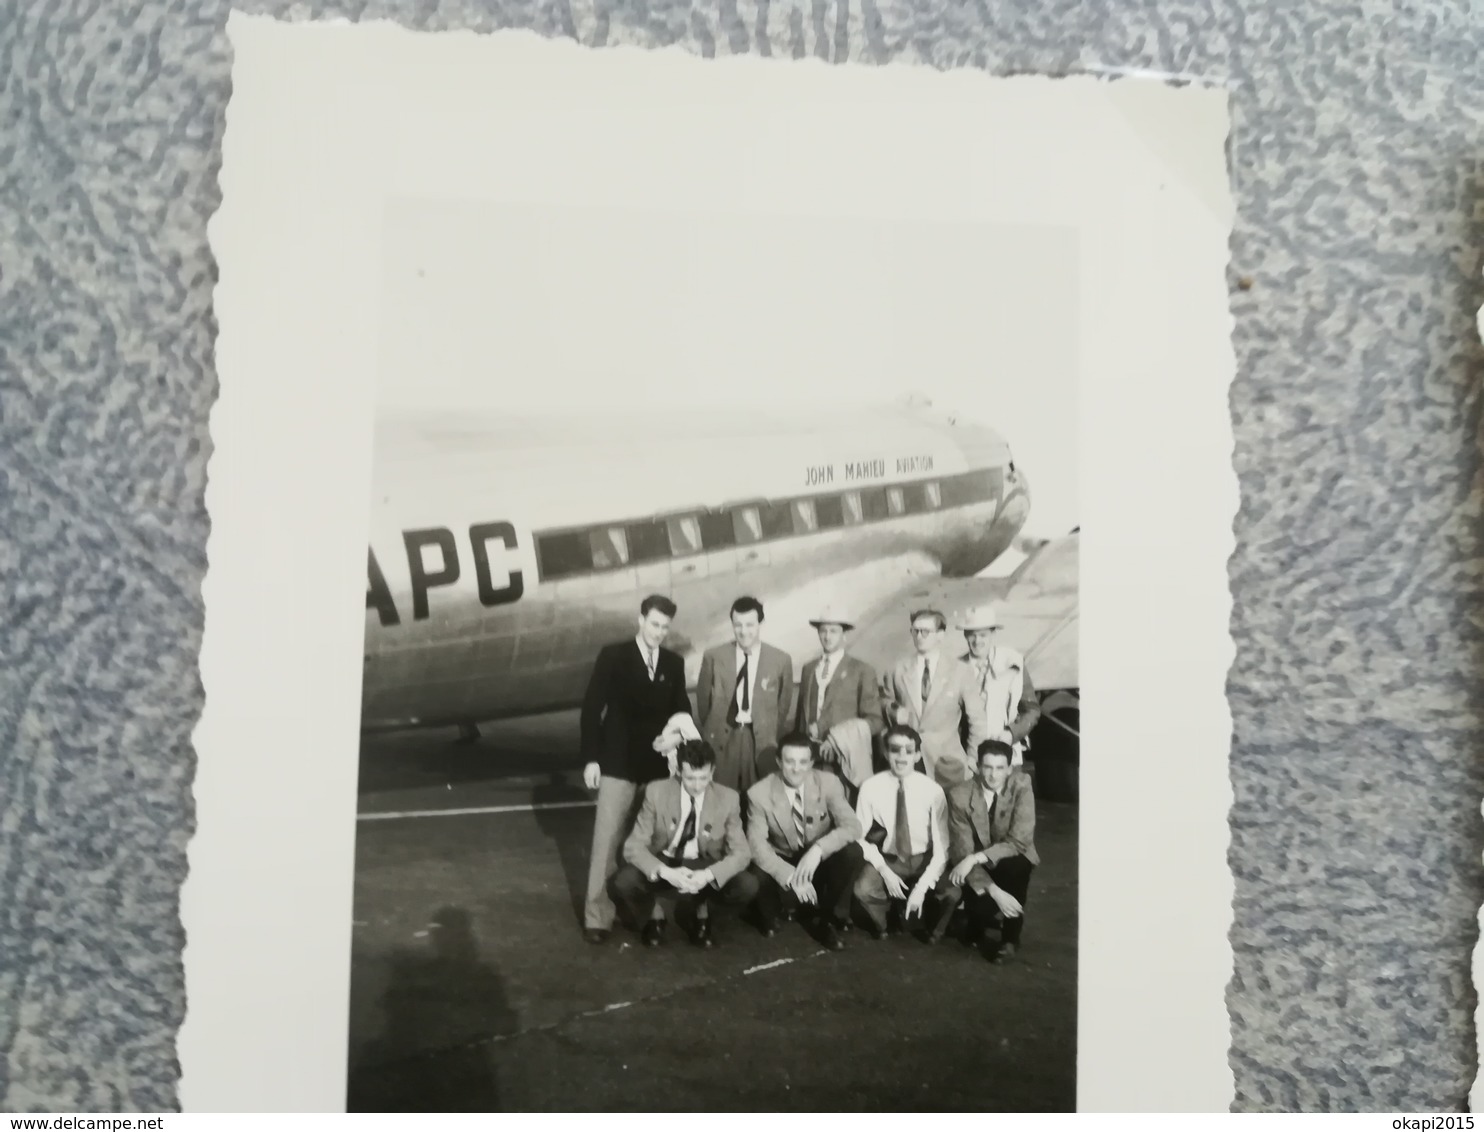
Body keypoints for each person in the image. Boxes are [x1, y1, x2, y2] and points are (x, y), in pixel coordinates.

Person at [577, 594, 693, 945]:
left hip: (658, 768)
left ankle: (651, 914)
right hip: (617, 763)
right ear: (640, 620)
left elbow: (682, 713)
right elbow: (591, 708)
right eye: (654, 624)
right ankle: (597, 916)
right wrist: (591, 759)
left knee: (652, 845)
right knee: (607, 840)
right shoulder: (613, 656)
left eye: (665, 627)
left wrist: (678, 744)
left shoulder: (673, 663)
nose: (659, 632)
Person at [611, 739, 757, 949]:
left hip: (705, 864)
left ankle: (703, 911)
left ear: (712, 771)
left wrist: (708, 875)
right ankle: (655, 915)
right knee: (624, 881)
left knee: (747, 885)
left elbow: (742, 853)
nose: (697, 786)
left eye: (703, 778)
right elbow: (633, 847)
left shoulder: (729, 798)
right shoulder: (655, 791)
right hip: (665, 861)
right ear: (679, 771)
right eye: (690, 778)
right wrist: (664, 871)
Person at [745, 731, 864, 950]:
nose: (796, 768)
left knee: (853, 852)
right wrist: (790, 876)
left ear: (811, 763)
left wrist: (818, 850)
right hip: (783, 856)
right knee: (756, 872)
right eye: (789, 761)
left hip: (815, 859)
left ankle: (825, 917)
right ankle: (770, 909)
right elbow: (756, 845)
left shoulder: (828, 782)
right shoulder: (758, 793)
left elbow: (853, 826)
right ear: (779, 762)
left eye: (802, 762)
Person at [935, 739, 1039, 963]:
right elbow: (962, 851)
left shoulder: (1022, 785)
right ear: (978, 767)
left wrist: (975, 857)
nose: (993, 775)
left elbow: (1020, 841)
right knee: (981, 910)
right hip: (976, 866)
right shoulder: (960, 795)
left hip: (1009, 856)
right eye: (988, 767)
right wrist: (995, 892)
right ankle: (977, 921)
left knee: (1018, 866)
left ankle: (1010, 938)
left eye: (1000, 768)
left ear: (1010, 769)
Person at [851, 724, 949, 940]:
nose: (902, 756)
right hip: (890, 858)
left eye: (908, 750)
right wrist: (884, 871)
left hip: (924, 857)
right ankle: (886, 920)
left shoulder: (933, 791)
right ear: (886, 753)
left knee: (951, 892)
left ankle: (927, 923)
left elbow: (943, 849)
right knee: (863, 889)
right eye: (895, 749)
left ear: (917, 755)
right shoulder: (870, 787)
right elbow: (858, 836)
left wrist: (922, 888)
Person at [695, 596, 794, 795]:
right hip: (724, 738)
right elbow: (703, 703)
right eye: (737, 625)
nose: (744, 631)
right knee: (720, 798)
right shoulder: (714, 656)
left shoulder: (780, 660)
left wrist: (767, 731)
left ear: (760, 623)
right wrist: (715, 727)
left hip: (759, 740)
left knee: (759, 798)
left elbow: (782, 706)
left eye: (750, 625)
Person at [880, 609, 989, 788]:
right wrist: (893, 711)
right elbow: (884, 701)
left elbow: (978, 720)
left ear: (940, 635)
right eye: (915, 631)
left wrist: (972, 758)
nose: (919, 636)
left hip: (947, 766)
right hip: (908, 763)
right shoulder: (897, 669)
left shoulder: (960, 671)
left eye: (925, 631)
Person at [793, 605, 881, 798]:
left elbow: (875, 721)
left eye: (833, 631)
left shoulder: (861, 671)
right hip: (811, 760)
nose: (827, 636)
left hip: (844, 762)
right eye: (823, 631)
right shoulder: (809, 669)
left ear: (844, 635)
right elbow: (801, 718)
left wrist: (838, 740)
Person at [957, 605, 1040, 766]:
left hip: (1006, 754)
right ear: (965, 635)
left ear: (993, 634)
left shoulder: (1012, 661)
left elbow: (1031, 709)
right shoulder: (957, 667)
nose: (977, 641)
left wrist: (1012, 733)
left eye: (983, 635)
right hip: (969, 757)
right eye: (972, 635)